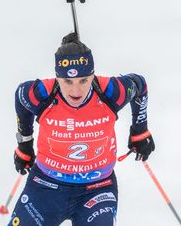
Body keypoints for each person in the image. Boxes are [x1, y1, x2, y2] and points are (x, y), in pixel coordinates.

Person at [8, 33, 155, 226]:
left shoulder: (110, 91)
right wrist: (25, 144)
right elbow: (20, 96)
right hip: (45, 187)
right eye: (67, 82)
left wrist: (140, 131)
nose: (75, 91)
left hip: (97, 188)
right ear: (57, 77)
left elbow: (139, 85)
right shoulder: (43, 93)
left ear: (92, 75)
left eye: (84, 80)